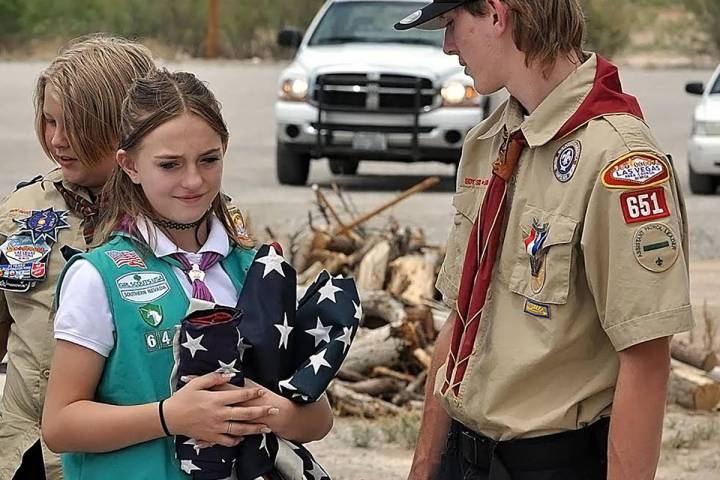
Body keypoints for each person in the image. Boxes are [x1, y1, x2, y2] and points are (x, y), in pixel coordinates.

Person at [394, 1, 693, 479]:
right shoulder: (491, 140)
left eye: (452, 25)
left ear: (496, 14)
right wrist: (425, 468)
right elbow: (461, 314)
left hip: (552, 462)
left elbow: (645, 355)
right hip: (464, 456)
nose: (448, 45)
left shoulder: (618, 159)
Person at [41, 69, 335, 480]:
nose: (193, 180)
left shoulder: (255, 269)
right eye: (169, 165)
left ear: (225, 150)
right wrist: (169, 417)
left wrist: (269, 410)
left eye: (209, 160)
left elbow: (318, 418)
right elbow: (59, 425)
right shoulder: (98, 277)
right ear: (130, 165)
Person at [0, 35, 155, 480]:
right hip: (27, 450)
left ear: (127, 126)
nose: (57, 139)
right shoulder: (21, 212)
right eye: (49, 121)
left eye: (77, 125)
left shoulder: (177, 217)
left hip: (131, 454)